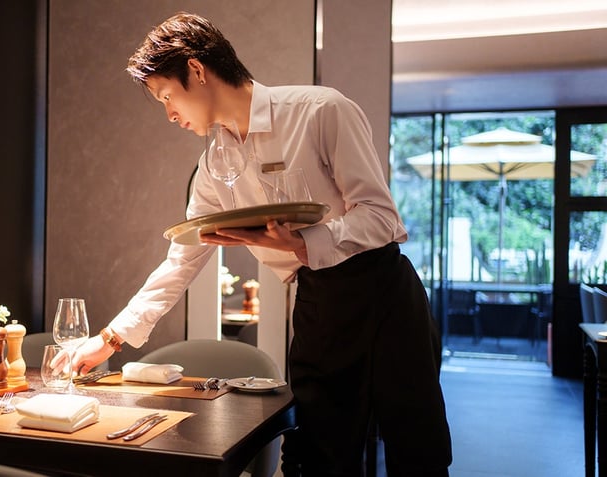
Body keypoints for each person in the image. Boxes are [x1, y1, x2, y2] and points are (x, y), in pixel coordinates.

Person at [72, 11, 452, 476]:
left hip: (385, 292)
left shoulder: (321, 111)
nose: (169, 113)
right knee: (316, 459)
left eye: (168, 96)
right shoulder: (215, 164)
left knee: (419, 454)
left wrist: (304, 240)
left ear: (197, 70)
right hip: (317, 302)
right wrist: (110, 339)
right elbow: (183, 257)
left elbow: (381, 216)